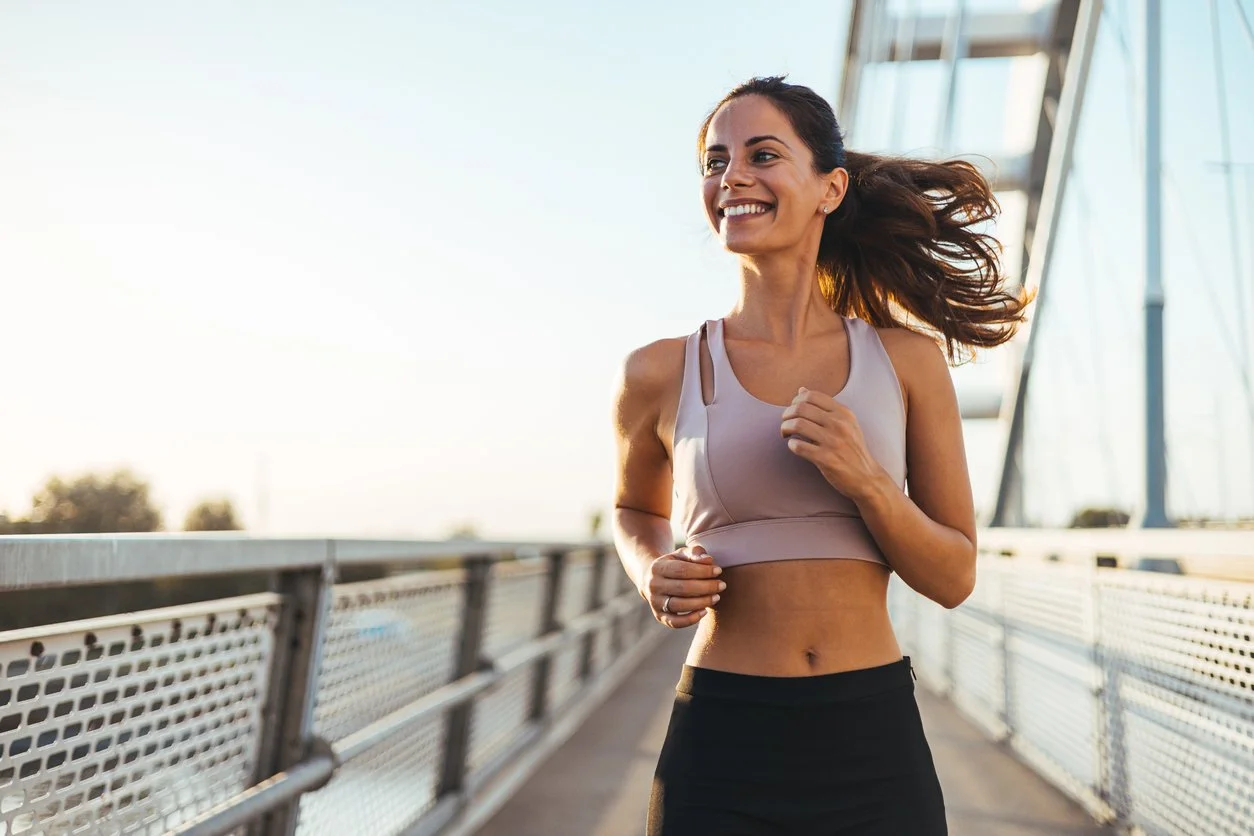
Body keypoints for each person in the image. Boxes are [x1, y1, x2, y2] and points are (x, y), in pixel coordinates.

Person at [610, 76, 1030, 835]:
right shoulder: (660, 369)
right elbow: (633, 508)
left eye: (761, 155)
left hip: (871, 740)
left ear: (829, 188)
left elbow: (953, 576)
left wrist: (868, 481)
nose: (730, 176)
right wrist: (651, 569)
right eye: (714, 162)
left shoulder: (907, 362)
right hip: (721, 739)